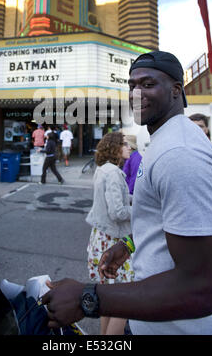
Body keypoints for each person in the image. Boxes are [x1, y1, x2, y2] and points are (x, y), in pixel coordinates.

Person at [42, 50, 212, 335]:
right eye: (131, 85)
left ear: (175, 90)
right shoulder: (165, 140)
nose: (135, 92)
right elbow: (166, 221)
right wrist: (130, 244)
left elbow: (203, 288)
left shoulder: (180, 155)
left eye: (148, 84)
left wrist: (88, 297)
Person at [86, 131, 134, 335]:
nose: (129, 147)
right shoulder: (114, 173)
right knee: (124, 302)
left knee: (106, 299)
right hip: (113, 242)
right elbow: (118, 212)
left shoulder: (102, 169)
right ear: (115, 148)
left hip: (99, 238)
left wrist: (131, 198)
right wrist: (142, 209)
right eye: (125, 144)